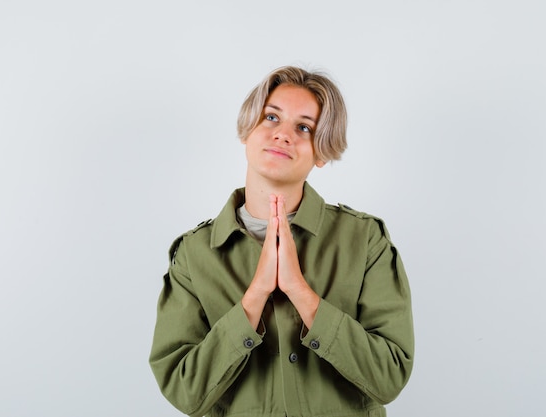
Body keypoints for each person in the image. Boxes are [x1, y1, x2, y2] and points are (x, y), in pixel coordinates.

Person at [149, 66, 414, 417]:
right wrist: (255, 295)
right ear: (248, 131)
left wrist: (302, 294)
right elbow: (184, 392)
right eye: (272, 117)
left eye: (304, 127)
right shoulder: (194, 255)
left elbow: (389, 378)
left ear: (321, 152)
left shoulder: (365, 241)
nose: (283, 134)